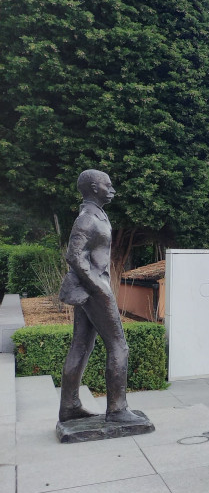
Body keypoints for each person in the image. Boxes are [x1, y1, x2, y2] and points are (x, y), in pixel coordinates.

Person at [58, 169, 143, 424]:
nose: (113, 188)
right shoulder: (86, 218)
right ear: (94, 188)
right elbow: (74, 256)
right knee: (119, 346)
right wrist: (97, 287)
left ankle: (70, 407)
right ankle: (117, 409)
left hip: (87, 287)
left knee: (82, 346)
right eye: (108, 184)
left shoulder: (97, 214)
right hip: (93, 288)